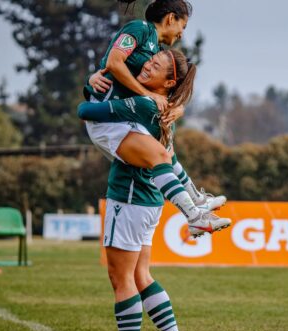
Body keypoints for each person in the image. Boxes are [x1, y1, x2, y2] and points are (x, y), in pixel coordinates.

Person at [83, 49, 202, 331]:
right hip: (148, 201)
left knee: (120, 276)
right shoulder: (164, 111)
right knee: (140, 275)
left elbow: (88, 110)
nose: (146, 65)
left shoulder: (148, 106)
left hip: (130, 196)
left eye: (155, 65)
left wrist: (91, 87)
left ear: (169, 80)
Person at [84, 0, 229, 235]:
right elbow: (113, 62)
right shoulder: (139, 29)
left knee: (167, 149)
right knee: (160, 155)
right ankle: (194, 216)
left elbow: (166, 90)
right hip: (105, 118)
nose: (182, 34)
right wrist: (147, 94)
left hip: (119, 119)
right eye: (183, 26)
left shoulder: (156, 51)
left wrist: (178, 108)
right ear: (171, 18)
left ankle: (196, 202)